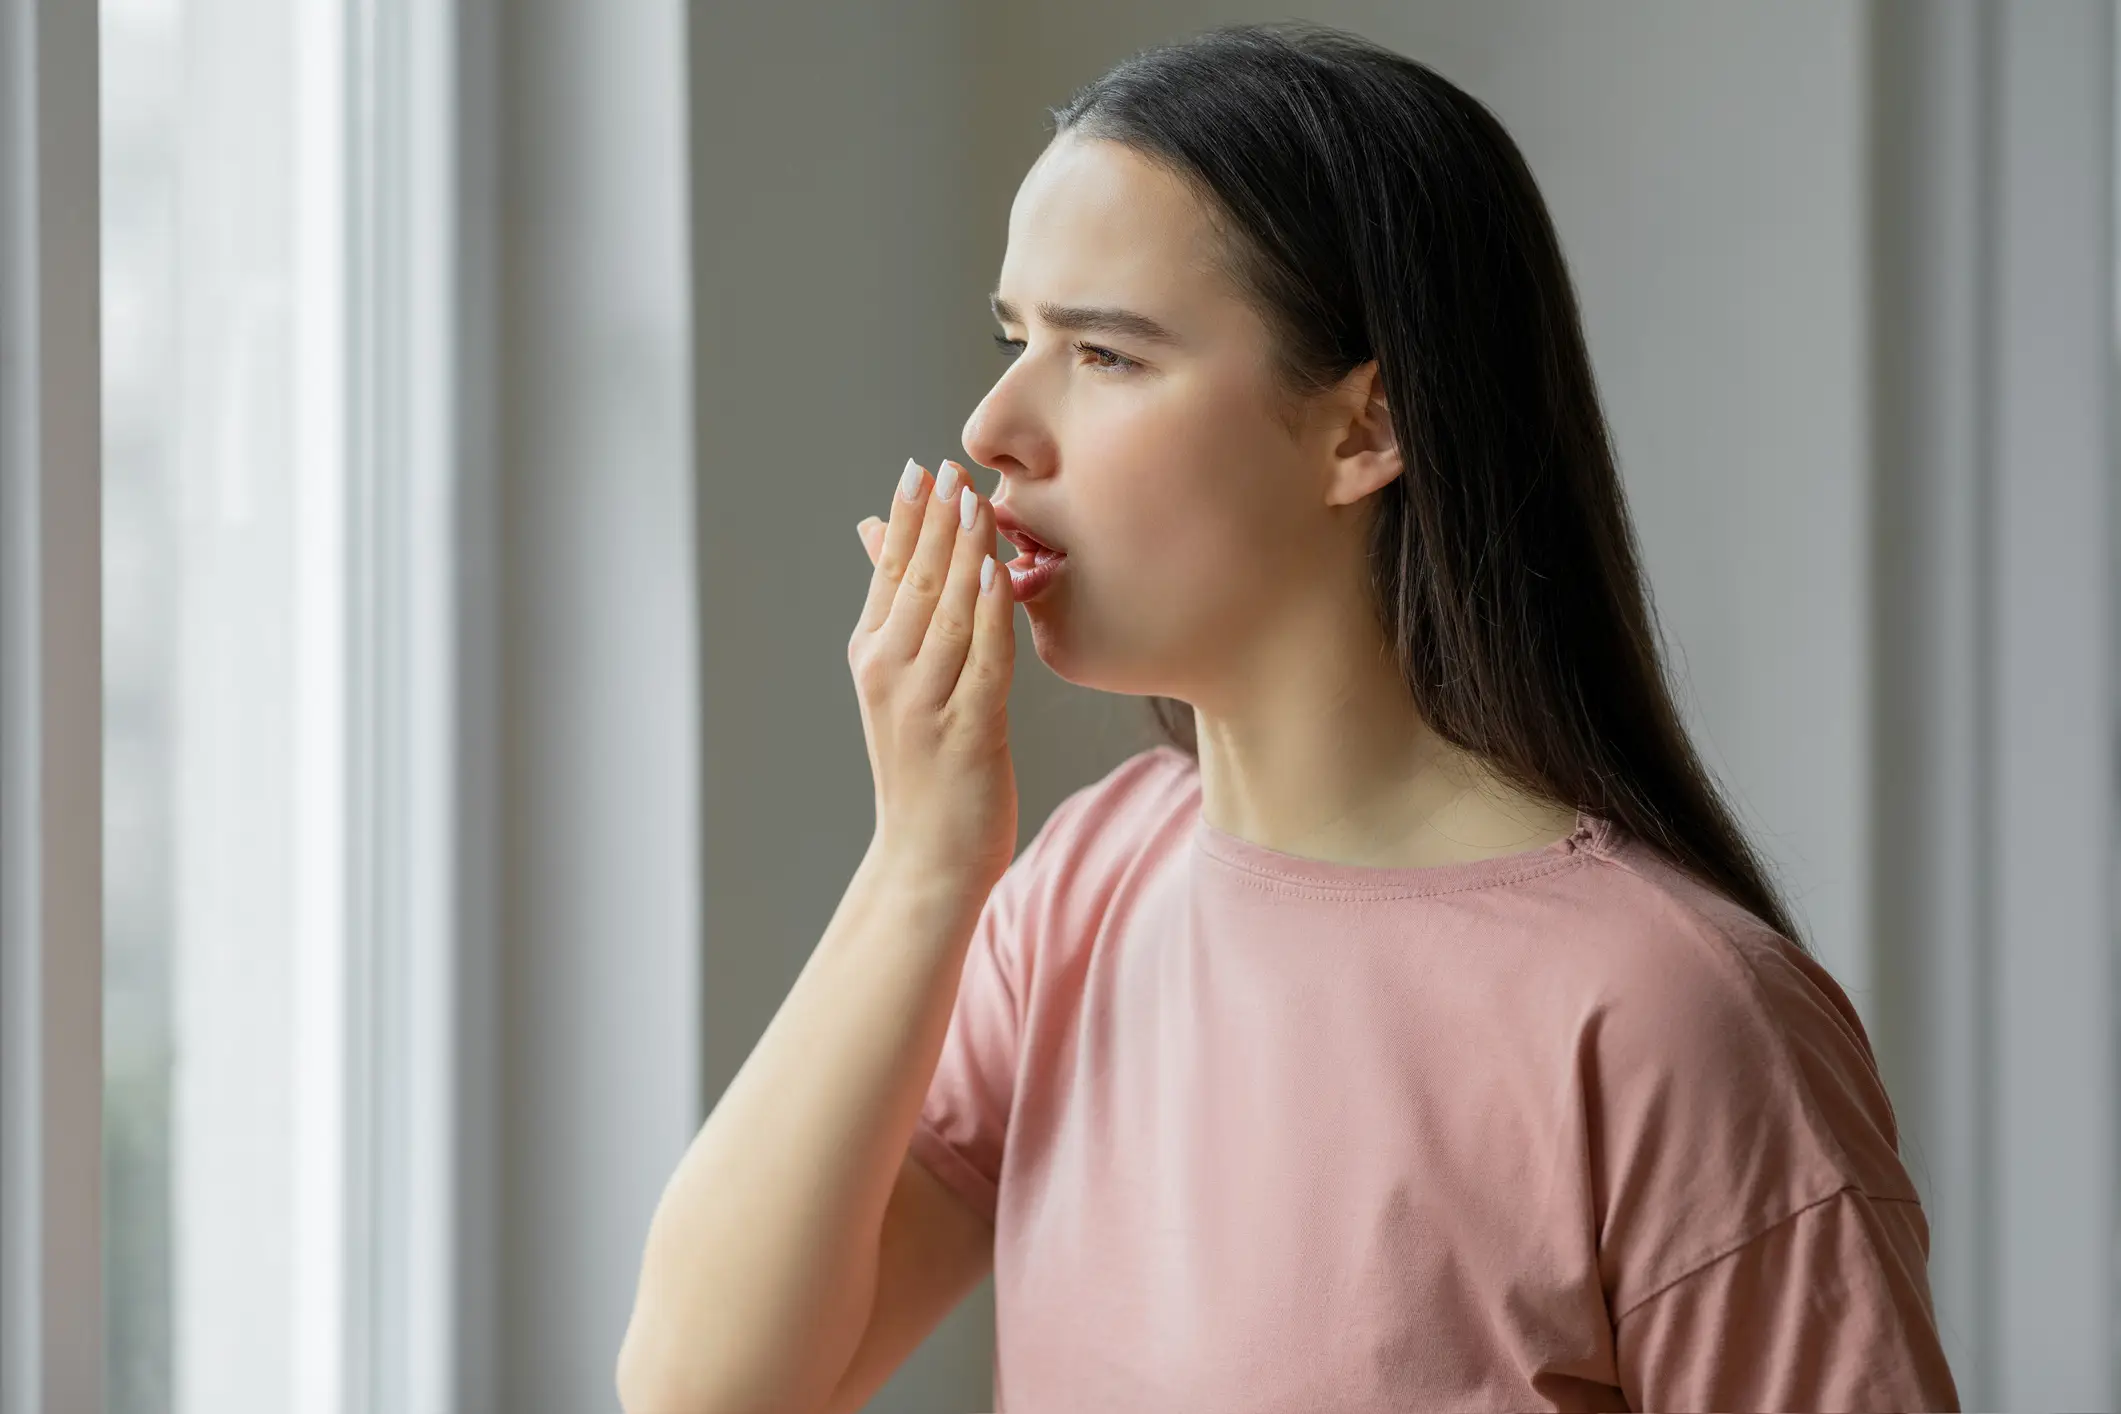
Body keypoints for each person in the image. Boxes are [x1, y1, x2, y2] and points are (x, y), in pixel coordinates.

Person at [618, 20, 1960, 1414]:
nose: (994, 425)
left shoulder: (1674, 1020)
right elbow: (703, 1391)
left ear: (1364, 429)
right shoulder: (1079, 894)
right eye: (1017, 337)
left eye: (1106, 353)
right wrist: (920, 861)